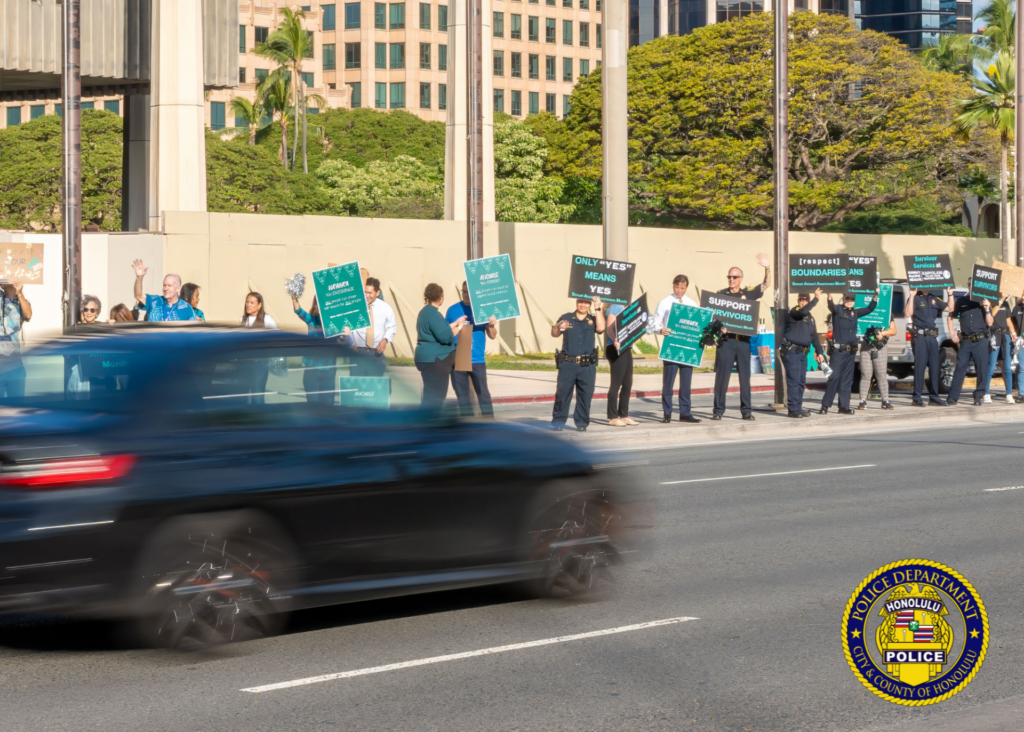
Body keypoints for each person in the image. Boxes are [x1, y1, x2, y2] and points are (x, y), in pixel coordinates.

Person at [711, 264, 770, 421]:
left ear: (741, 279)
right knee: (722, 377)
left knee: (745, 378)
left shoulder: (747, 295)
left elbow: (766, 285)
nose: (731, 279)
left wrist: (767, 269)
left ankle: (746, 411)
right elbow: (713, 317)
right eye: (729, 277)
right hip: (726, 342)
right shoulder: (721, 295)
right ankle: (718, 410)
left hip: (743, 342)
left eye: (734, 277)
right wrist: (718, 329)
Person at [651, 274, 701, 424]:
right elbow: (655, 322)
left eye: (682, 287)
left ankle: (685, 412)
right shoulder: (664, 302)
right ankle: (667, 413)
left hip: (687, 348)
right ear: (673, 286)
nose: (679, 290)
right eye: (677, 287)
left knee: (686, 384)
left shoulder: (692, 303)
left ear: (686, 287)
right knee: (668, 383)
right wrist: (660, 330)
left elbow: (698, 324)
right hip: (671, 347)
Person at [819, 289, 878, 415]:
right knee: (833, 377)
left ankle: (843, 407)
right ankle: (825, 405)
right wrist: (829, 297)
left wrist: (875, 296)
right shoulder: (838, 310)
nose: (850, 301)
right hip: (839, 352)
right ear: (843, 298)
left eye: (852, 299)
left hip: (850, 353)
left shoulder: (855, 313)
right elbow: (831, 307)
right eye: (848, 298)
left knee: (847, 380)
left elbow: (869, 309)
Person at [551, 297, 605, 432]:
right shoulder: (566, 317)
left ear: (589, 304)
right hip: (568, 363)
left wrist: (598, 307)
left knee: (585, 395)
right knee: (562, 394)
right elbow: (554, 333)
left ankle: (581, 422)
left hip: (587, 365)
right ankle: (558, 421)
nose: (583, 305)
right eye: (580, 302)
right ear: (576, 302)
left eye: (586, 303)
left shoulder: (593, 319)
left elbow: (601, 328)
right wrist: (559, 326)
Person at [446, 281, 498, 417]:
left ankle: (489, 423)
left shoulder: (482, 310)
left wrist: (491, 325)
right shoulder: (452, 310)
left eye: (469, 292)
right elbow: (445, 334)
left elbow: (492, 336)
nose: (466, 295)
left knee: (484, 395)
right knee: (463, 396)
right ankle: (467, 425)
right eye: (464, 291)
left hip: (477, 358)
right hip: (459, 358)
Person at [415, 283, 466, 410]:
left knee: (430, 395)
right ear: (440, 297)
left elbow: (441, 330)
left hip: (425, 358)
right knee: (436, 397)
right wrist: (460, 327)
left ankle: (425, 422)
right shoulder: (434, 314)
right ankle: (428, 423)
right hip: (435, 360)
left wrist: (456, 322)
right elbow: (446, 337)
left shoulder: (425, 312)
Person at [904, 286, 954, 407]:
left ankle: (934, 397)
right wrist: (911, 296)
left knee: (935, 366)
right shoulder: (915, 298)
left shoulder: (934, 299)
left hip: (932, 337)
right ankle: (916, 398)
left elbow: (950, 308)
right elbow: (907, 313)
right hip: (920, 336)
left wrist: (950, 294)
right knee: (920, 367)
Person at [781, 289, 824, 418]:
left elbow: (814, 336)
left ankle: (798, 407)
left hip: (803, 353)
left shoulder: (810, 318)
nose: (803, 302)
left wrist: (819, 351)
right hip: (792, 351)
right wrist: (816, 299)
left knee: (800, 381)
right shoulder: (794, 312)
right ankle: (793, 409)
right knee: (793, 381)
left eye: (806, 299)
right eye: (801, 299)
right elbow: (803, 311)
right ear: (798, 300)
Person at [946, 294, 994, 406]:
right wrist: (952, 333)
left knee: (981, 370)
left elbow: (990, 322)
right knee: (960, 368)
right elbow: (950, 316)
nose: (970, 286)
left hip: (980, 340)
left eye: (971, 284)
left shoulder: (984, 300)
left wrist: (987, 309)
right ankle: (953, 397)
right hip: (966, 340)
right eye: (968, 284)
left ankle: (978, 396)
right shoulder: (961, 301)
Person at [291, 293, 337, 405]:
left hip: (328, 369)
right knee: (313, 406)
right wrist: (294, 298)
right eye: (319, 302)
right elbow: (299, 312)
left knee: (328, 406)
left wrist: (343, 335)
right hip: (311, 369)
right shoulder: (312, 320)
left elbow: (341, 341)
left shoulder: (336, 323)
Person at [350, 278, 397, 377]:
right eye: (365, 292)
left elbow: (392, 326)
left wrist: (385, 340)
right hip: (358, 353)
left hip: (376, 355)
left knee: (375, 389)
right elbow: (348, 327)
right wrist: (351, 343)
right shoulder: (356, 306)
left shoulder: (385, 308)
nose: (367, 295)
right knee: (357, 388)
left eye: (370, 293)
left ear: (378, 292)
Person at [132, 259, 196, 321]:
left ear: (178, 288)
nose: (165, 288)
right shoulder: (155, 300)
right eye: (164, 285)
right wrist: (139, 278)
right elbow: (138, 296)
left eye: (169, 286)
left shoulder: (187, 308)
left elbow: (192, 329)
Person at [604, 303, 636, 427]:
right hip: (615, 347)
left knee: (627, 384)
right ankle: (612, 417)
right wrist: (616, 341)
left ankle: (624, 415)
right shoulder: (615, 307)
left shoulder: (627, 307)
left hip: (627, 347)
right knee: (616, 384)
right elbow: (610, 328)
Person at [858, 318, 897, 411]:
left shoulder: (886, 311)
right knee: (865, 374)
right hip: (866, 346)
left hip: (880, 347)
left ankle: (885, 400)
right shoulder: (865, 309)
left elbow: (894, 330)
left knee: (881, 374)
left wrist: (882, 334)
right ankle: (862, 401)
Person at [0, 281, 31, 398]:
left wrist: (20, 293)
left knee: (17, 402)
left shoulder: (21, 301)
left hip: (14, 360)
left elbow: (28, 315)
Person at [983, 296, 1017, 404]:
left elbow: (1008, 320)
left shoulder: (1005, 304)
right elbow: (991, 315)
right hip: (994, 334)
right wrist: (1000, 299)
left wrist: (1013, 332)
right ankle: (986, 393)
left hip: (1005, 335)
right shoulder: (991, 302)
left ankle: (1009, 394)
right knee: (991, 366)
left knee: (1007, 367)